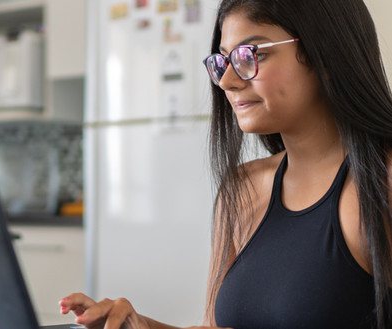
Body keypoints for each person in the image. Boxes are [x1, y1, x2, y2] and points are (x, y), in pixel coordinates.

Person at [59, 0, 392, 328]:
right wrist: (138, 325)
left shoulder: (381, 184)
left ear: (326, 52)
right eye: (223, 61)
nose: (227, 81)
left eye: (252, 55)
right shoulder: (242, 188)